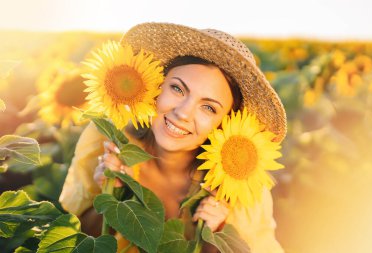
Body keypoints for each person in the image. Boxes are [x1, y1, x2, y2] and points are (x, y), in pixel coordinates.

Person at [59, 22, 286, 253]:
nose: (183, 113)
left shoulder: (240, 189)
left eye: (208, 108)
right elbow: (75, 238)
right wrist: (108, 196)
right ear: (157, 85)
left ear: (226, 124)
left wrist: (215, 236)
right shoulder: (107, 140)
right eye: (178, 89)